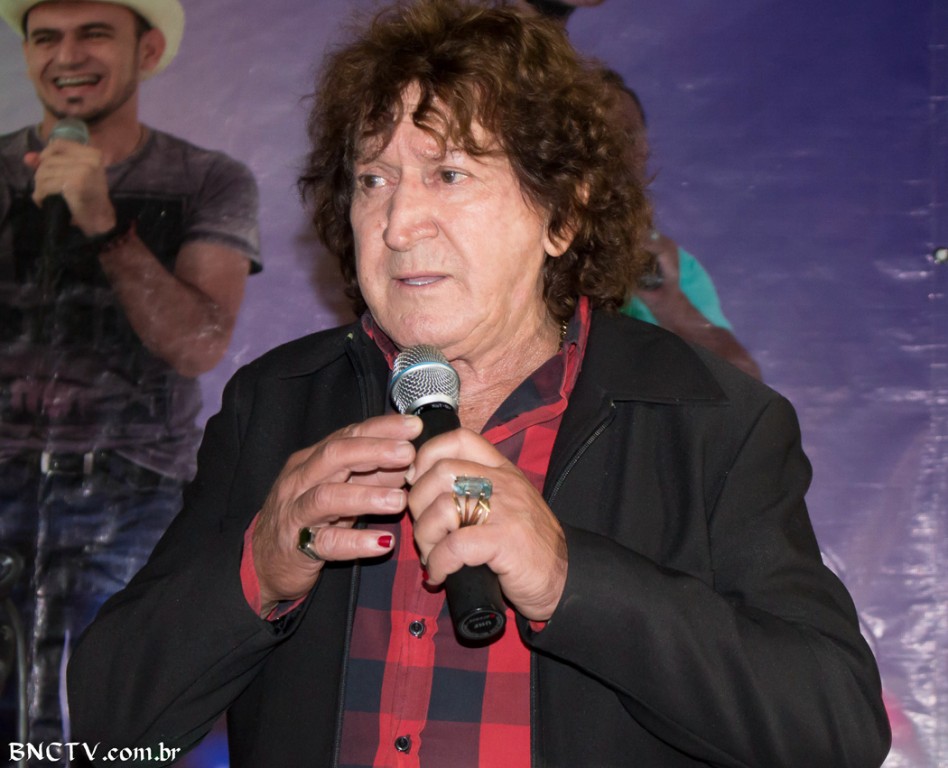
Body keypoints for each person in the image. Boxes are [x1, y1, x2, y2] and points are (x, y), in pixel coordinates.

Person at [68, 1, 889, 766]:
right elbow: (108, 725)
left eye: (449, 174)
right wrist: (259, 568)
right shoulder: (277, 404)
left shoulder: (710, 421)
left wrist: (571, 578)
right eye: (373, 180)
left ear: (562, 214)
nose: (397, 224)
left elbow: (833, 730)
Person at [0, 0, 260, 748]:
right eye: (45, 37)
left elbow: (198, 345)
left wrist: (104, 224)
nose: (66, 56)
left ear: (146, 51)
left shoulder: (208, 179)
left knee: (117, 730)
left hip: (133, 500)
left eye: (93, 34)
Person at [600, 69, 763, 379]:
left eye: (627, 137)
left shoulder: (675, 269)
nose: (612, 152)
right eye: (596, 135)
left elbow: (748, 384)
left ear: (644, 151)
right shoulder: (525, 243)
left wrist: (671, 304)